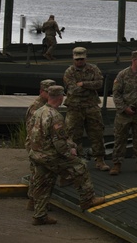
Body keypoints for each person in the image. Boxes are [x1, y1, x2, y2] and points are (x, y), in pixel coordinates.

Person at [27, 85, 106, 225]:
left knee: (43, 183)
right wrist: (70, 153)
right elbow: (59, 142)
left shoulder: (39, 111)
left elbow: (32, 133)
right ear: (60, 97)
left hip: (37, 154)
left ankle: (39, 215)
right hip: (50, 155)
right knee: (80, 167)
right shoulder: (55, 116)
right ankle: (88, 199)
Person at [63, 46, 109, 171]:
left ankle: (100, 160)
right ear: (73, 59)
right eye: (77, 59)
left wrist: (83, 84)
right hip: (74, 107)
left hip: (91, 106)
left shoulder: (93, 69)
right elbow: (73, 89)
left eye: (82, 59)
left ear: (85, 58)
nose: (79, 62)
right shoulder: (69, 72)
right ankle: (76, 160)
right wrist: (89, 86)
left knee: (97, 133)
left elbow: (99, 84)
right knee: (73, 135)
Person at [25, 79, 56, 211]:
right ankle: (35, 201)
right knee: (38, 175)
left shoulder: (47, 106)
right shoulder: (37, 107)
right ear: (41, 92)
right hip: (36, 144)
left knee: (39, 174)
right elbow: (34, 130)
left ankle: (36, 201)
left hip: (40, 144)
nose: (50, 95)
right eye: (48, 92)